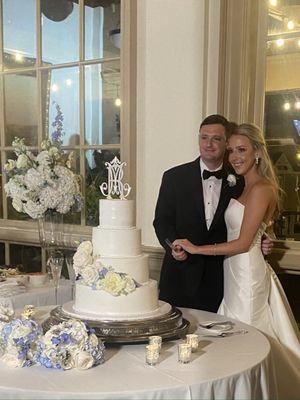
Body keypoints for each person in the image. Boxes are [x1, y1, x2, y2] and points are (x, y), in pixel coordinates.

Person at [174, 123, 300, 398]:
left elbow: (244, 243)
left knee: (248, 339)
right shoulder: (244, 186)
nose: (234, 156)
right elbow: (250, 230)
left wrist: (196, 249)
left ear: (257, 152)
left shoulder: (262, 188)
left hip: (247, 274)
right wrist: (264, 238)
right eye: (231, 150)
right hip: (233, 272)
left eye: (241, 150)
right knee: (235, 336)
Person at [153, 114, 271, 312]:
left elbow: (245, 222)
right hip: (179, 277)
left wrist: (263, 238)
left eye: (216, 138)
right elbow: (161, 222)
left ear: (226, 143)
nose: (209, 144)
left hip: (221, 280)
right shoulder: (174, 177)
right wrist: (173, 246)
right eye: (204, 137)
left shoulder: (242, 181)